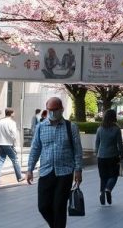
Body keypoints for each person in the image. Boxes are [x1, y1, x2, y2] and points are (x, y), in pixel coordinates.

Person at [26, 97, 83, 228]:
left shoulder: (71, 127)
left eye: (55, 110)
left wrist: (78, 170)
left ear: (61, 110)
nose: (52, 112)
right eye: (49, 110)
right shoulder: (40, 127)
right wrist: (30, 169)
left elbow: (77, 150)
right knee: (43, 206)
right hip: (46, 172)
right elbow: (35, 148)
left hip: (65, 172)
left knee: (59, 207)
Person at [94, 109, 123, 205]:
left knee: (103, 177)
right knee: (114, 175)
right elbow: (120, 143)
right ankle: (108, 189)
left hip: (101, 157)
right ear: (114, 117)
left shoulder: (100, 129)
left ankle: (102, 193)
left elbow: (97, 142)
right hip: (113, 155)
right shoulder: (116, 129)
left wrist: (96, 152)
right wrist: (121, 154)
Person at [0, 108, 22, 185]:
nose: (14, 114)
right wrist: (15, 143)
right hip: (8, 144)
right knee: (15, 160)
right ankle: (19, 177)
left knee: (1, 160)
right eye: (14, 113)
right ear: (11, 113)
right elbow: (14, 134)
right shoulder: (12, 122)